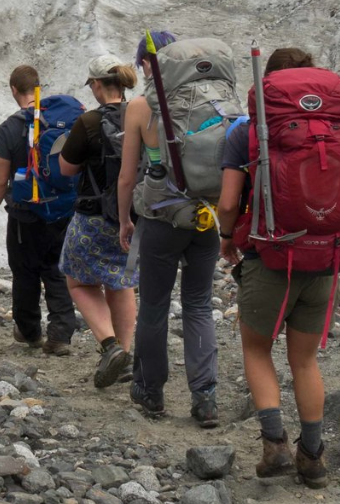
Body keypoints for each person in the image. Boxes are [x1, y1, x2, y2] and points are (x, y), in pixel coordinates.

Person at [216, 47, 330, 487]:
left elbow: (228, 202)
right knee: (305, 361)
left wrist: (227, 238)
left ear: (268, 85)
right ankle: (314, 458)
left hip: (269, 257)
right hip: (323, 258)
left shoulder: (245, 131)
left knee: (257, 349)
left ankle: (275, 445)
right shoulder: (331, 126)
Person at [116, 30, 220, 427]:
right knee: (198, 305)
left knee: (155, 306)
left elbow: (128, 176)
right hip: (204, 219)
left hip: (160, 219)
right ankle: (205, 397)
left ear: (146, 64)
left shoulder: (141, 107)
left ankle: (151, 391)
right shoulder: (209, 102)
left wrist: (126, 219)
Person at [0, 65, 78, 356]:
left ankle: (29, 331)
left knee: (24, 271)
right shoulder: (64, 119)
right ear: (38, 86)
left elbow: (1, 178)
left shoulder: (10, 127)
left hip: (26, 213)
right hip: (63, 209)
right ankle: (60, 334)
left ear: (14, 89)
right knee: (56, 269)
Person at [57, 54, 139, 388]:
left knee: (78, 282)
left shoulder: (89, 122)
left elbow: (66, 169)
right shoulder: (143, 115)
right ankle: (126, 355)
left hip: (94, 214)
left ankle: (109, 345)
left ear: (96, 85)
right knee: (120, 281)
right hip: (135, 215)